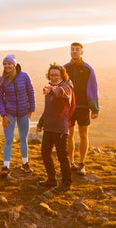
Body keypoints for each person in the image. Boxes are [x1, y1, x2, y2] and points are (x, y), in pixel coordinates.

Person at [0, 54, 35, 177]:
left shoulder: (24, 76)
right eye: (5, 64)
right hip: (9, 113)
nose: (7, 66)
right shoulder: (1, 79)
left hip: (24, 112)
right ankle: (5, 166)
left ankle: (25, 163)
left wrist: (31, 109)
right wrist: (3, 115)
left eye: (9, 63)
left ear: (14, 65)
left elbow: (31, 92)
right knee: (8, 140)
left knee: (23, 139)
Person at [36, 63, 74, 192]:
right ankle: (51, 180)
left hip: (60, 128)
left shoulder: (66, 86)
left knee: (62, 155)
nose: (53, 77)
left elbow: (61, 93)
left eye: (56, 75)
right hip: (49, 127)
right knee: (45, 153)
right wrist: (41, 123)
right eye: (51, 75)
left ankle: (66, 182)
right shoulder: (50, 86)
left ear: (62, 75)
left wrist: (51, 90)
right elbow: (48, 109)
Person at [64, 42, 99, 176]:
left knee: (83, 134)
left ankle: (82, 164)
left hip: (83, 106)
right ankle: (70, 162)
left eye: (77, 49)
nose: (74, 52)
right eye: (72, 49)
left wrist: (95, 109)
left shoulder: (88, 69)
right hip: (68, 107)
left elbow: (92, 88)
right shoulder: (64, 68)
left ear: (82, 52)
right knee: (69, 135)